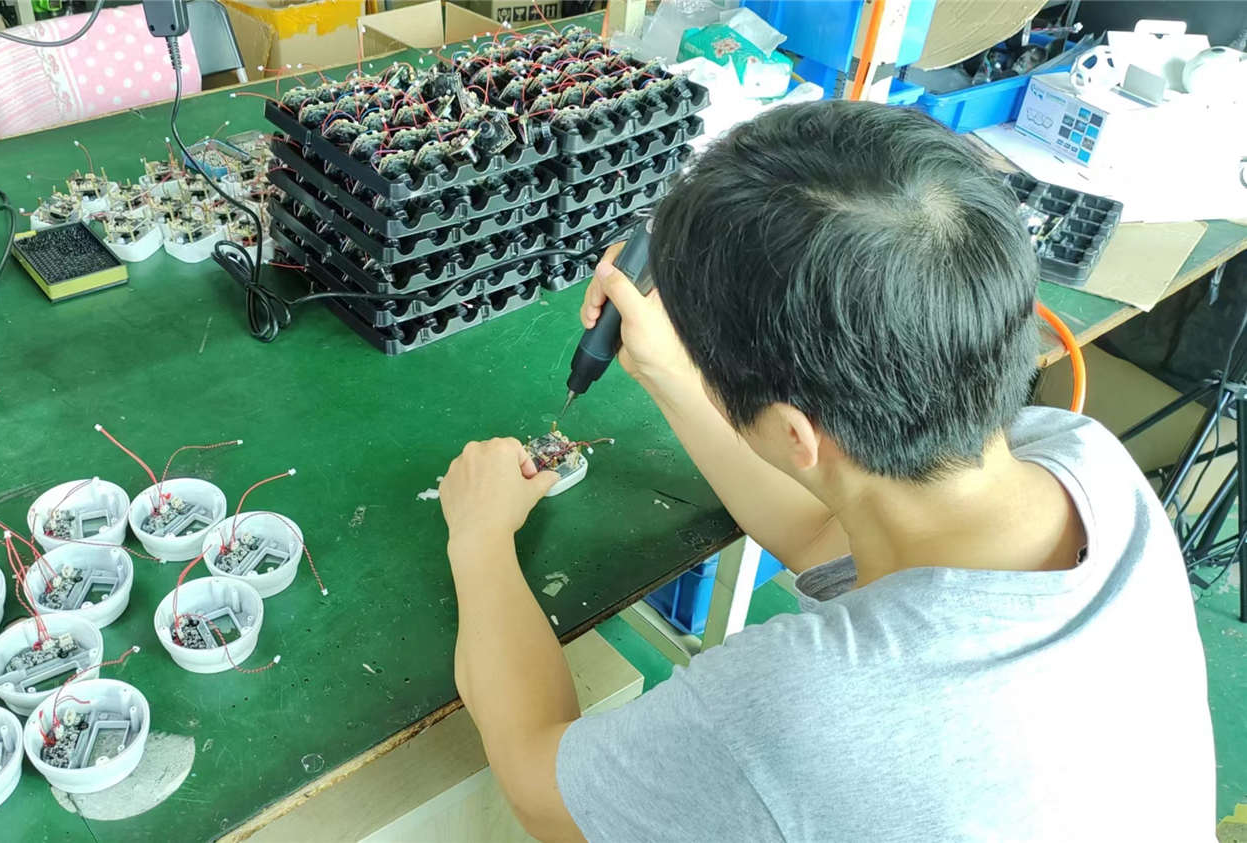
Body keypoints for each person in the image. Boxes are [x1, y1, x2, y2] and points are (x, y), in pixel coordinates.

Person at [437, 101, 1215, 841]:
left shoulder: (808, 706)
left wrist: (478, 536)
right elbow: (827, 537)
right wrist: (671, 369)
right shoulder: (1084, 462)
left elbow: (540, 789)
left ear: (794, 434)